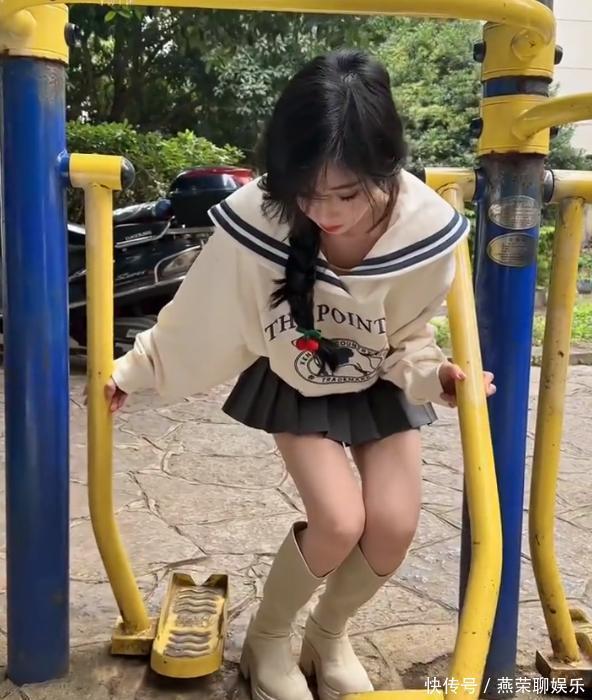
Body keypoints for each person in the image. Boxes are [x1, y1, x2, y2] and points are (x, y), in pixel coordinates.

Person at [108, 49, 495, 700]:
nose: (325, 211)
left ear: (386, 165)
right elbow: (203, 306)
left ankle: (327, 635)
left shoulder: (425, 231)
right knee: (339, 521)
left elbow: (408, 340)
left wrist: (439, 380)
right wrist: (136, 368)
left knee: (393, 526)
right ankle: (267, 639)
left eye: (346, 194)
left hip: (379, 378)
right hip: (297, 370)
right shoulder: (263, 212)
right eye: (307, 193)